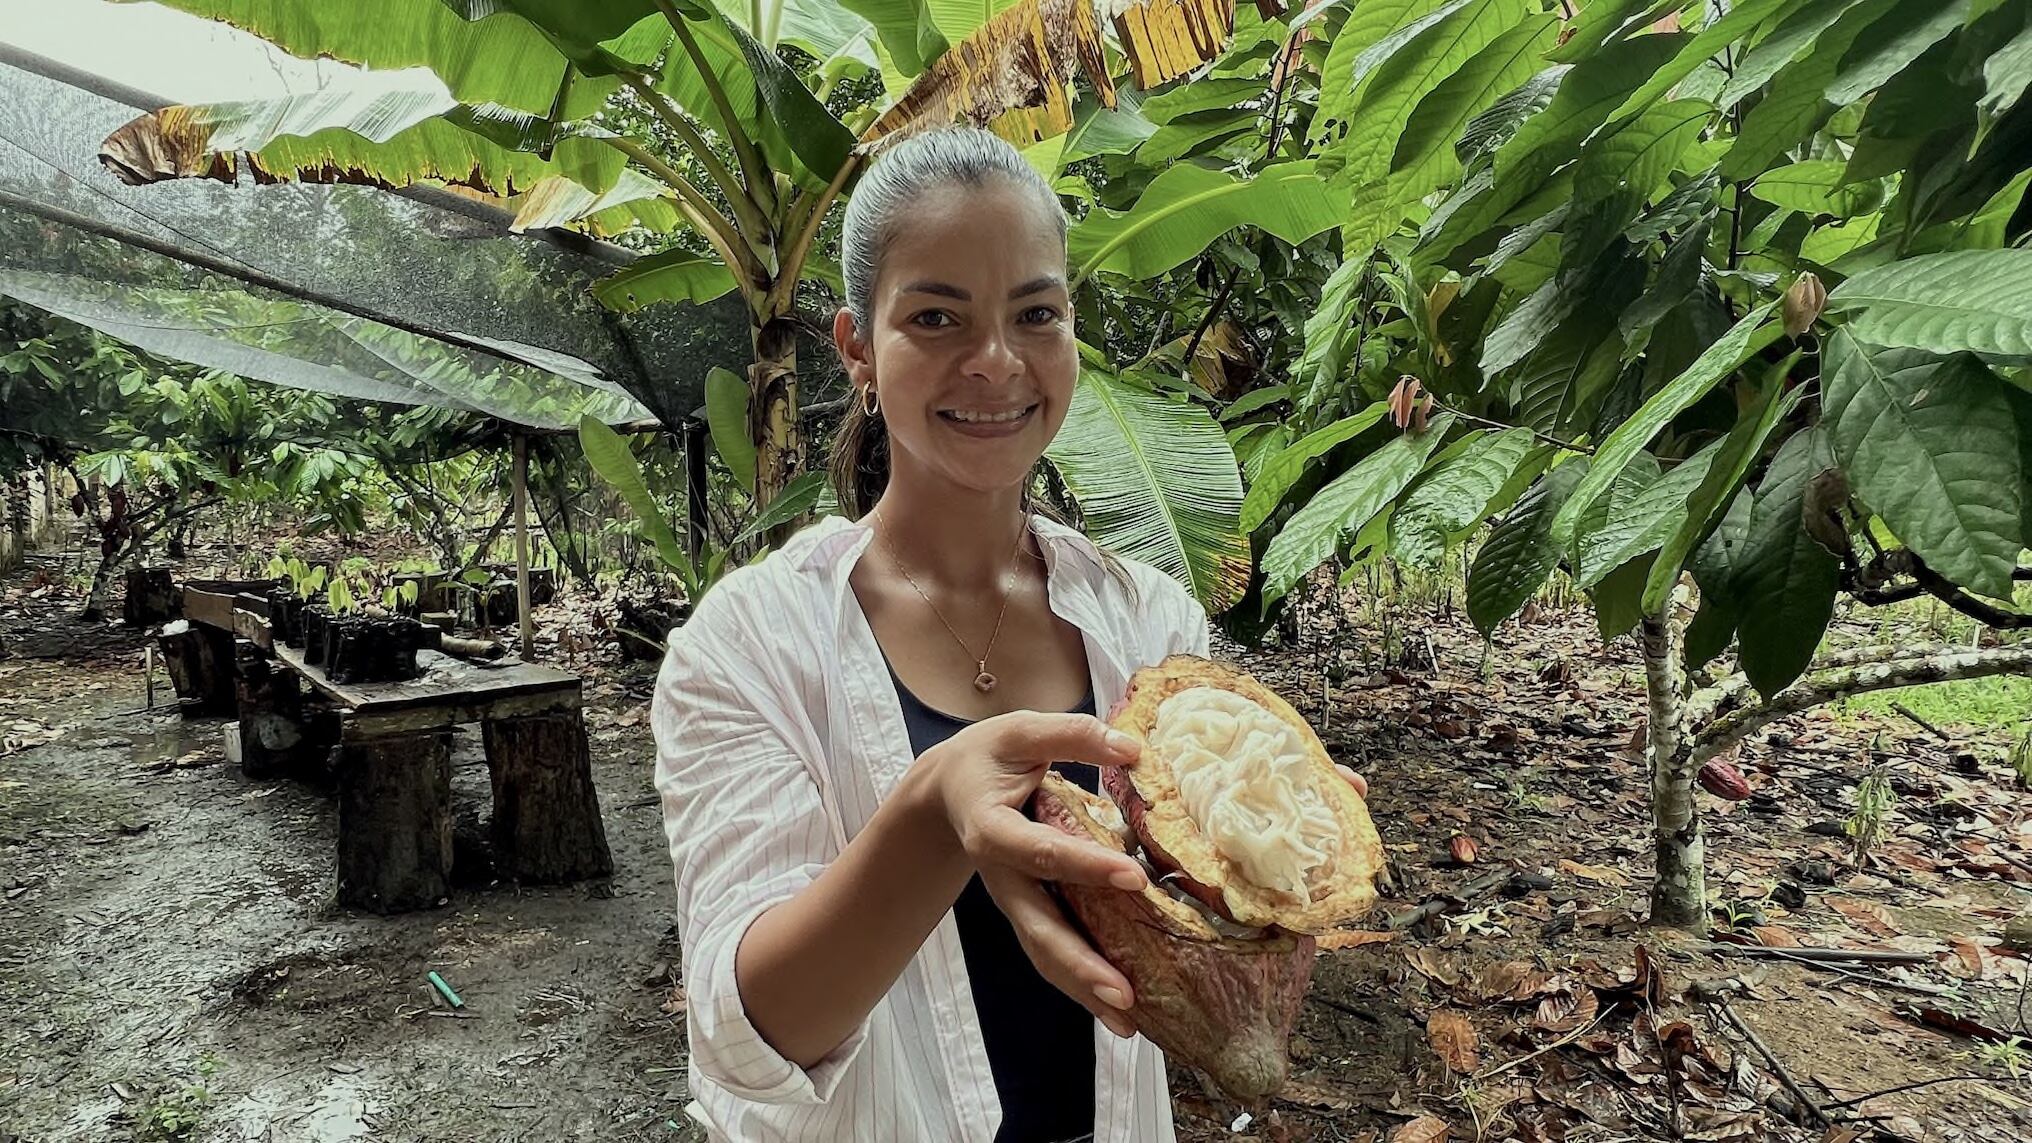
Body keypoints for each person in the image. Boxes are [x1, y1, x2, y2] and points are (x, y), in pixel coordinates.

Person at [651, 126, 1366, 1143]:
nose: (994, 362)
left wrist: (1273, 855)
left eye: (1036, 313)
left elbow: (1188, 927)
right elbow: (750, 1031)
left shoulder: (1149, 618)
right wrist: (937, 820)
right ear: (858, 346)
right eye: (936, 317)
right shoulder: (750, 645)